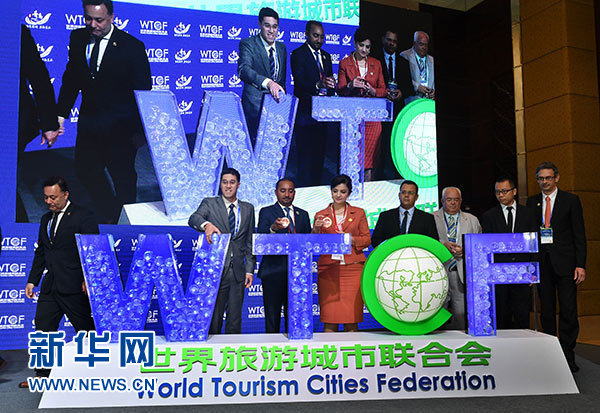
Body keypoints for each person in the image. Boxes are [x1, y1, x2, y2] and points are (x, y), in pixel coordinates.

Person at [56, 0, 152, 224]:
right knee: (85, 171)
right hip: (89, 125)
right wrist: (60, 115)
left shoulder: (132, 46)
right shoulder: (78, 38)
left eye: (99, 20)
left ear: (111, 17)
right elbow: (72, 79)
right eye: (88, 18)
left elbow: (143, 92)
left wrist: (140, 131)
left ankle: (127, 225)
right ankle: (111, 215)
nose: (93, 25)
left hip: (122, 130)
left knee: (123, 179)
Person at [20, 176, 98, 388]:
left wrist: (87, 278)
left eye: (53, 197)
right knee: (43, 329)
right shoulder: (46, 219)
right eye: (46, 197)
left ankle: (98, 371)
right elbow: (42, 252)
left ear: (66, 195)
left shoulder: (83, 216)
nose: (49, 201)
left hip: (74, 285)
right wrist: (32, 280)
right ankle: (42, 375)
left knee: (86, 330)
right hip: (50, 285)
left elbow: (91, 249)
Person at [526, 162, 586, 373]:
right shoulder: (532, 202)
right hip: (543, 265)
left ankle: (568, 355)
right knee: (547, 312)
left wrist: (580, 265)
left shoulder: (571, 200)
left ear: (557, 178)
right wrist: (531, 265)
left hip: (567, 265)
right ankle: (551, 354)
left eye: (548, 178)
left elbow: (579, 235)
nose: (544, 182)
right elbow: (530, 236)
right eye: (541, 178)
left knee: (568, 311)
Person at [188, 168, 256, 335]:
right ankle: (214, 351)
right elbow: (193, 218)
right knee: (214, 320)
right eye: (224, 182)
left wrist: (249, 270)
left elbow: (249, 242)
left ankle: (232, 351)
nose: (228, 186)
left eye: (232, 182)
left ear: (238, 185)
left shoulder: (248, 208)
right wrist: (206, 225)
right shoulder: (210, 204)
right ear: (220, 184)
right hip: (216, 271)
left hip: (238, 272)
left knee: (235, 320)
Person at [312, 175, 371, 332]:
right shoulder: (320, 214)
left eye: (343, 192)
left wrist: (349, 239)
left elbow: (366, 239)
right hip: (328, 270)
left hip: (353, 269)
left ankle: (352, 349)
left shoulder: (358, 213)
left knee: (351, 320)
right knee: (329, 319)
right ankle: (328, 349)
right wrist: (316, 229)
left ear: (349, 193)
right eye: (335, 191)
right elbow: (315, 243)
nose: (338, 195)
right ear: (331, 191)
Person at [481, 177, 537, 330]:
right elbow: (487, 246)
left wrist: (533, 270)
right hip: (499, 274)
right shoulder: (489, 216)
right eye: (498, 192)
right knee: (501, 316)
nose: (501, 195)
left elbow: (534, 243)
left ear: (514, 191)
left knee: (522, 315)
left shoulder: (528, 214)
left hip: (522, 273)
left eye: (504, 191)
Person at [257, 179, 311, 333]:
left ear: (294, 193)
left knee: (295, 319)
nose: (287, 194)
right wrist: (273, 229)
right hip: (273, 272)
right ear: (276, 192)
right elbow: (260, 239)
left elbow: (307, 242)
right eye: (283, 191)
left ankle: (295, 347)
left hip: (297, 274)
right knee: (272, 318)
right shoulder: (266, 212)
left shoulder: (303, 214)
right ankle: (271, 347)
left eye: (290, 191)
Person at [18, 24, 60, 222]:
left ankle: (16, 235)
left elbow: (39, 76)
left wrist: (49, 123)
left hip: (11, 120)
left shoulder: (15, 30)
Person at [290, 20, 336, 187]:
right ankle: (303, 193)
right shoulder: (298, 54)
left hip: (322, 116)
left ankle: (316, 190)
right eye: (316, 36)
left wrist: (331, 87)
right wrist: (318, 84)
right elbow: (300, 82)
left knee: (319, 158)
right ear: (306, 34)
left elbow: (329, 83)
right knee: (304, 159)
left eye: (322, 37)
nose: (319, 40)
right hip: (305, 115)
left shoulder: (326, 56)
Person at [337, 28, 386, 182]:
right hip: (353, 117)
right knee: (353, 156)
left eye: (368, 47)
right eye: (361, 45)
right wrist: (350, 85)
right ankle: (351, 187)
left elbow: (383, 90)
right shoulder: (345, 63)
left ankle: (369, 188)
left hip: (372, 118)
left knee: (371, 158)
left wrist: (373, 91)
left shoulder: (376, 63)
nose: (364, 50)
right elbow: (340, 90)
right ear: (355, 43)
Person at [432, 187, 481, 330]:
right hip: (437, 271)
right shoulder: (430, 218)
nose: (453, 203)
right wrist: (443, 245)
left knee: (461, 314)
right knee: (436, 311)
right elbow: (427, 241)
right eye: (449, 199)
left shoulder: (472, 220)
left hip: (460, 271)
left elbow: (478, 245)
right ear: (442, 201)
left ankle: (460, 340)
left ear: (461, 201)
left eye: (456, 200)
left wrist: (466, 250)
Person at [238, 7, 286, 145]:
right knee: (253, 148)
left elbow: (281, 81)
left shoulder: (281, 48)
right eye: (267, 26)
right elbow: (244, 70)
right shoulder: (248, 44)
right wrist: (268, 83)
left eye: (275, 27)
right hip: (254, 109)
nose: (271, 30)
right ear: (260, 25)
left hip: (275, 110)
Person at [375, 29, 414, 181]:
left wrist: (401, 92)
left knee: (397, 146)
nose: (391, 43)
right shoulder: (375, 59)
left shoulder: (403, 62)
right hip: (379, 110)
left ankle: (398, 178)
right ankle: (379, 178)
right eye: (389, 40)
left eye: (394, 41)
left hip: (398, 111)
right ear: (383, 40)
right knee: (381, 147)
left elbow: (409, 87)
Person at [372, 180, 438, 247]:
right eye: (403, 192)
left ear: (416, 197)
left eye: (410, 193)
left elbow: (433, 243)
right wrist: (392, 243)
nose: (406, 195)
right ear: (399, 195)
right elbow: (375, 241)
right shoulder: (385, 216)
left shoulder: (427, 218)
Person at [400, 31, 435, 102]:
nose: (424, 47)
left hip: (429, 100)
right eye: (421, 44)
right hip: (412, 100)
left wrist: (434, 92)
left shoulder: (432, 60)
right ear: (414, 43)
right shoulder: (405, 56)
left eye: (426, 45)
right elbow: (403, 79)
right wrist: (417, 87)